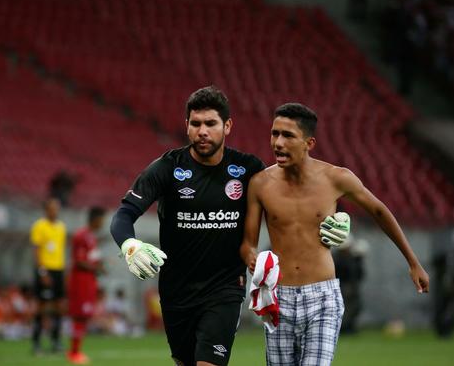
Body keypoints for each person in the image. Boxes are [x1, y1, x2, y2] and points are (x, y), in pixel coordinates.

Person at [109, 87, 349, 366]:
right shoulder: (166, 168)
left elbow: (295, 198)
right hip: (177, 292)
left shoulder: (248, 169)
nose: (202, 131)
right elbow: (124, 214)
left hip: (225, 289)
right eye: (196, 124)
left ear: (227, 126)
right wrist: (130, 245)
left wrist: (340, 218)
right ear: (186, 126)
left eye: (211, 124)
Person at [240, 103, 429, 366]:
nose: (278, 143)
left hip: (322, 297)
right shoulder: (260, 184)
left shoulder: (337, 178)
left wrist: (413, 262)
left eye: (288, 136)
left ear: (309, 143)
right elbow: (248, 243)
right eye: (275, 134)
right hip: (278, 297)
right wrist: (252, 258)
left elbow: (379, 211)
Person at [67, 206, 106, 365]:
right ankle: (74, 352)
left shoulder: (92, 237)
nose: (103, 223)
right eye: (102, 219)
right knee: (79, 316)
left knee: (84, 316)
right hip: (80, 280)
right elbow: (79, 261)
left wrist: (100, 266)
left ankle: (76, 351)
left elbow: (91, 259)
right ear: (95, 219)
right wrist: (96, 267)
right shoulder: (81, 236)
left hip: (89, 280)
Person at [30, 198, 66, 355]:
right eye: (52, 208)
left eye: (57, 208)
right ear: (46, 210)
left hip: (58, 270)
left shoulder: (61, 227)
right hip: (45, 270)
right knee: (42, 307)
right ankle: (36, 343)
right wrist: (42, 272)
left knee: (59, 307)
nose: (55, 211)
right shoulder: (39, 226)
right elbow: (36, 251)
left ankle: (55, 340)